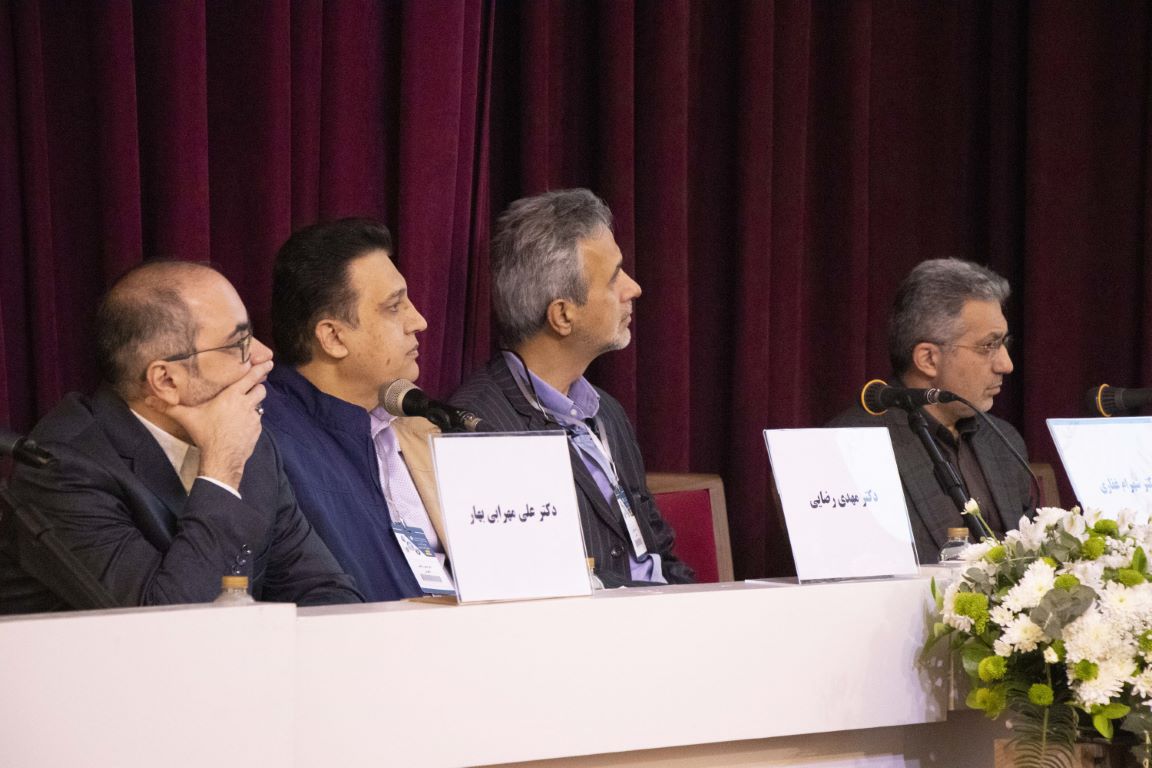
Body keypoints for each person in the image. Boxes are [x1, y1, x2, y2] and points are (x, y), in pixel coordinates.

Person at [0, 262, 362, 613]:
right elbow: (170, 627)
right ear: (167, 381)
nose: (265, 355)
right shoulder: (63, 469)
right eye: (240, 343)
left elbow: (328, 593)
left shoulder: (253, 447)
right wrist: (221, 471)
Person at [451, 189, 694, 587]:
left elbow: (658, 551)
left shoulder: (606, 411)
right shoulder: (480, 428)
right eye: (614, 278)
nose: (633, 288)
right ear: (563, 315)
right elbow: (534, 585)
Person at [261, 218, 450, 602]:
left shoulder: (417, 423)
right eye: (395, 306)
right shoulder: (266, 441)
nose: (419, 321)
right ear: (333, 337)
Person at [828, 258, 1032, 561]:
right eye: (988, 346)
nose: (1006, 364)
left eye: (1004, 343)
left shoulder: (1002, 440)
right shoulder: (851, 447)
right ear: (928, 359)